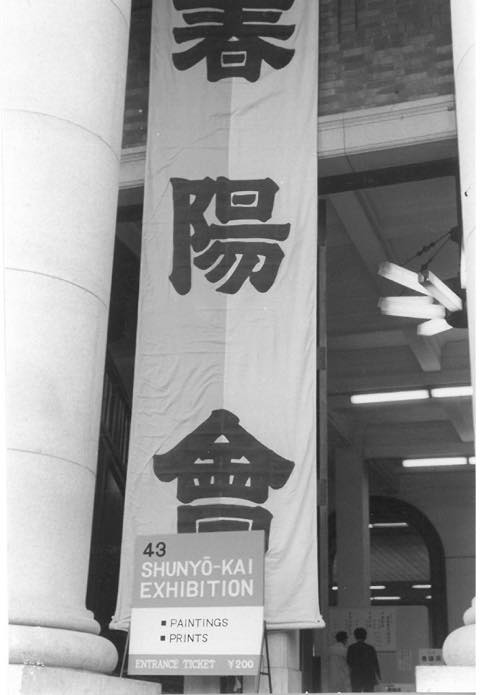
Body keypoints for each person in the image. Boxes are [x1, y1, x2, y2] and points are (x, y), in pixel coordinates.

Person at [346, 627, 381, 692]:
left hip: (356, 675)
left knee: (356, 692)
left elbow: (349, 661)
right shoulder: (370, 648)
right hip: (369, 675)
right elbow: (375, 663)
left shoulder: (351, 648)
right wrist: (379, 676)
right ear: (365, 636)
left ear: (355, 636)